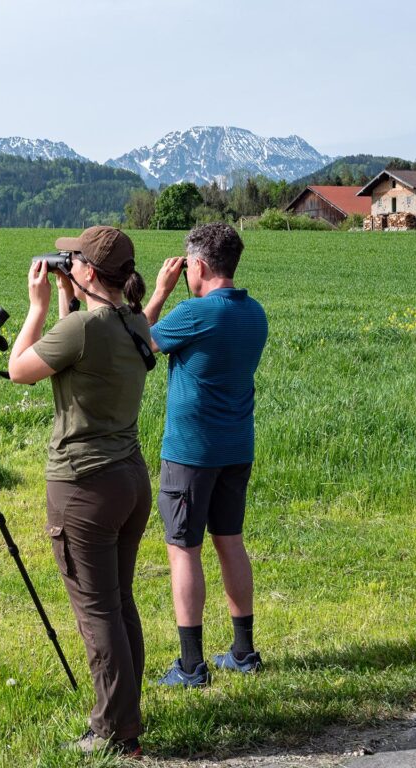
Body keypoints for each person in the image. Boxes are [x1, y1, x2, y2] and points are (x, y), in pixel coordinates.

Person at [8, 226, 153, 759]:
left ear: (89, 272)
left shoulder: (82, 329)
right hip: (129, 478)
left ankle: (116, 731)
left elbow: (19, 369)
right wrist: (71, 300)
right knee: (118, 602)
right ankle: (127, 713)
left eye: (73, 259)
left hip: (84, 486)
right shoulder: (133, 320)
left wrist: (38, 306)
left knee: (97, 612)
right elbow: (88, 341)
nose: (64, 262)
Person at [141, 222, 268, 687]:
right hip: (237, 447)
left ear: (197, 264)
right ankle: (243, 651)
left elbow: (141, 340)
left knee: (183, 550)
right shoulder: (255, 313)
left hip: (191, 453)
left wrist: (158, 293)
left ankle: (191, 665)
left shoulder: (194, 313)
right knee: (230, 542)